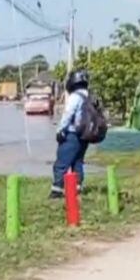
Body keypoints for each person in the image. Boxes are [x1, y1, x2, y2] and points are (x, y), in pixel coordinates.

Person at [51, 69, 94, 199]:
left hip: (72, 134)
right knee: (78, 162)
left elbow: (68, 114)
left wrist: (59, 130)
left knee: (61, 164)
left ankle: (57, 190)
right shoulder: (90, 95)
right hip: (85, 135)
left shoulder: (75, 96)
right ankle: (77, 188)